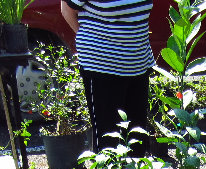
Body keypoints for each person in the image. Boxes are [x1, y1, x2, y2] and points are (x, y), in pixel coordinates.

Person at [61, 0, 155, 157]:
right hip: (101, 67)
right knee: (108, 143)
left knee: (137, 140)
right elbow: (66, 9)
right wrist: (90, 40)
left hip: (138, 63)